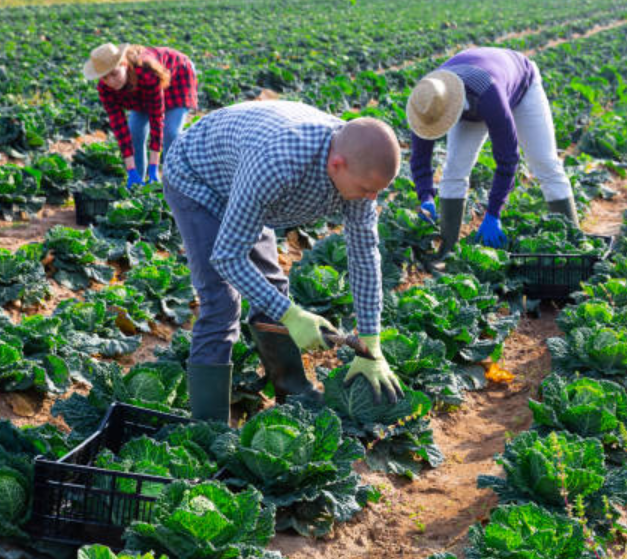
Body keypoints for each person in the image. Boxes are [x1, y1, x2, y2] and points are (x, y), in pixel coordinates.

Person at [163, 100, 405, 422]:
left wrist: (371, 342)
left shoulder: (359, 172)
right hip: (198, 179)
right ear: (337, 164)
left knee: (273, 287)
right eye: (365, 190)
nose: (370, 198)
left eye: (377, 191)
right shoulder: (279, 164)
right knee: (220, 303)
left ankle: (294, 397)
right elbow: (226, 257)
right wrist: (290, 315)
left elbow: (363, 256)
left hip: (246, 180)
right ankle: (208, 429)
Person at [407, 47, 580, 256]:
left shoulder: (489, 95)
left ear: (455, 109)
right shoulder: (427, 100)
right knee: (454, 168)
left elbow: (508, 158)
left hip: (518, 84)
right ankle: (447, 251)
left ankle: (574, 244)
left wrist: (493, 213)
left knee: (544, 163)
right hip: (472, 89)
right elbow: (419, 157)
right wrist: (425, 196)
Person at [83, 43, 197, 188]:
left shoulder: (147, 73)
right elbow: (120, 127)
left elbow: (156, 119)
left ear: (123, 64)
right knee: (134, 132)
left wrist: (154, 166)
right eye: (105, 78)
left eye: (114, 74)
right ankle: (139, 183)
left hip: (178, 75)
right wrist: (131, 170)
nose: (111, 81)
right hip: (138, 90)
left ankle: (175, 183)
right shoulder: (105, 88)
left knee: (171, 133)